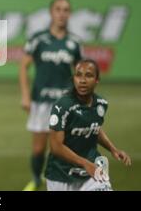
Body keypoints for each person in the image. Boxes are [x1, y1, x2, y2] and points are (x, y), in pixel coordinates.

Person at [19, 0, 82, 191]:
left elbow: (80, 72)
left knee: (64, 147)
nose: (62, 13)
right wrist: (25, 95)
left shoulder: (74, 42)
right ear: (51, 12)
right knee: (39, 148)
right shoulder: (39, 39)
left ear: (69, 14)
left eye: (66, 10)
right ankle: (37, 180)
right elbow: (23, 67)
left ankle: (62, 181)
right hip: (41, 101)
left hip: (65, 103)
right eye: (58, 9)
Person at [45, 59, 131, 191]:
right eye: (78, 75)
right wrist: (85, 164)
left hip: (93, 171)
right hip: (61, 176)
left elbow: (94, 128)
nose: (82, 80)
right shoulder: (62, 106)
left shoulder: (101, 104)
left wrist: (113, 149)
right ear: (74, 78)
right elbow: (56, 146)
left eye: (89, 75)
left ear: (97, 80)